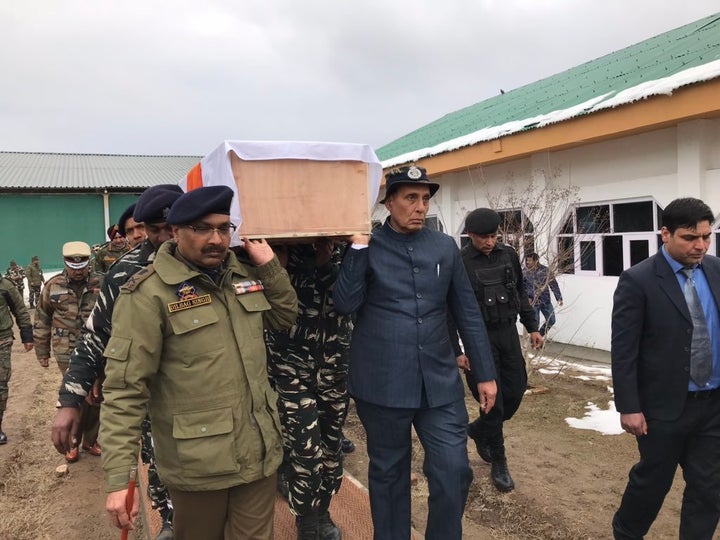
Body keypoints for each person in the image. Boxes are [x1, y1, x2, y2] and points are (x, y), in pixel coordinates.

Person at [101, 185, 298, 539]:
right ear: (174, 232)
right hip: (199, 465)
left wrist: (268, 266)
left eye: (224, 228)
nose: (217, 239)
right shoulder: (148, 295)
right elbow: (124, 391)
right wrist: (120, 479)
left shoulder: (239, 276)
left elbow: (284, 315)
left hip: (259, 453)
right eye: (202, 228)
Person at [333, 166, 497, 540]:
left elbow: (467, 312)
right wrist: (357, 248)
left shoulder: (444, 247)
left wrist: (484, 374)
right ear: (388, 203)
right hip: (383, 382)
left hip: (439, 382)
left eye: (425, 199)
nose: (420, 207)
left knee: (454, 469)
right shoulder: (367, 246)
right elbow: (344, 304)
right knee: (389, 473)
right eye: (410, 198)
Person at [51, 183, 184, 540]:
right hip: (151, 390)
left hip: (203, 387)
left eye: (172, 228)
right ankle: (168, 520)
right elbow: (96, 335)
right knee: (156, 456)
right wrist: (70, 398)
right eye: (154, 229)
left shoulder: (209, 263)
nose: (163, 237)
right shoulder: (125, 272)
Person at [611, 197, 720, 540]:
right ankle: (626, 533)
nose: (700, 245)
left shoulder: (717, 270)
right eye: (690, 237)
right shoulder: (638, 280)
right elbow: (624, 349)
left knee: (709, 487)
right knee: (652, 482)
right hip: (663, 408)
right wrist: (629, 406)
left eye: (706, 236)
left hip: (713, 405)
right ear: (665, 234)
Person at [266, 240, 351, 540]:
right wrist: (275, 265)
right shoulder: (275, 250)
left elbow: (349, 299)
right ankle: (307, 521)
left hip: (334, 364)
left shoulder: (350, 249)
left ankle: (322, 509)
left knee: (331, 448)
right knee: (305, 449)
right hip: (290, 365)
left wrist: (326, 261)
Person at [453, 208, 543, 493]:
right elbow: (449, 309)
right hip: (478, 338)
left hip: (507, 332)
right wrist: (456, 348)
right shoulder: (460, 262)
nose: (490, 242)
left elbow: (520, 293)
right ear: (470, 235)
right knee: (491, 400)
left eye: (494, 236)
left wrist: (532, 327)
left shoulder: (509, 256)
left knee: (516, 391)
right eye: (484, 237)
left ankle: (479, 430)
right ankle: (499, 461)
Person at [34, 241, 103, 462]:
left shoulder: (102, 282)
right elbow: (42, 319)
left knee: (96, 396)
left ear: (88, 262)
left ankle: (90, 440)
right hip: (65, 351)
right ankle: (72, 443)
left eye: (81, 264)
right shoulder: (52, 286)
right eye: (72, 265)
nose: (77, 269)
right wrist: (41, 352)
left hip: (96, 349)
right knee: (75, 396)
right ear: (65, 263)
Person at [0, 275, 33, 444]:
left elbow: (20, 309)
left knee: (0, 383)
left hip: (2, 340)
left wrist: (27, 335)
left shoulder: (5, 285)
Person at [524, 252, 563, 337]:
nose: (527, 262)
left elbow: (553, 284)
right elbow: (522, 287)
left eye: (530, 261)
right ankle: (535, 342)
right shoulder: (525, 272)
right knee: (535, 324)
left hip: (545, 301)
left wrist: (558, 297)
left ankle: (540, 336)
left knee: (551, 320)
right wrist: (526, 298)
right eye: (527, 260)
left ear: (536, 261)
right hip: (533, 302)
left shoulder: (545, 270)